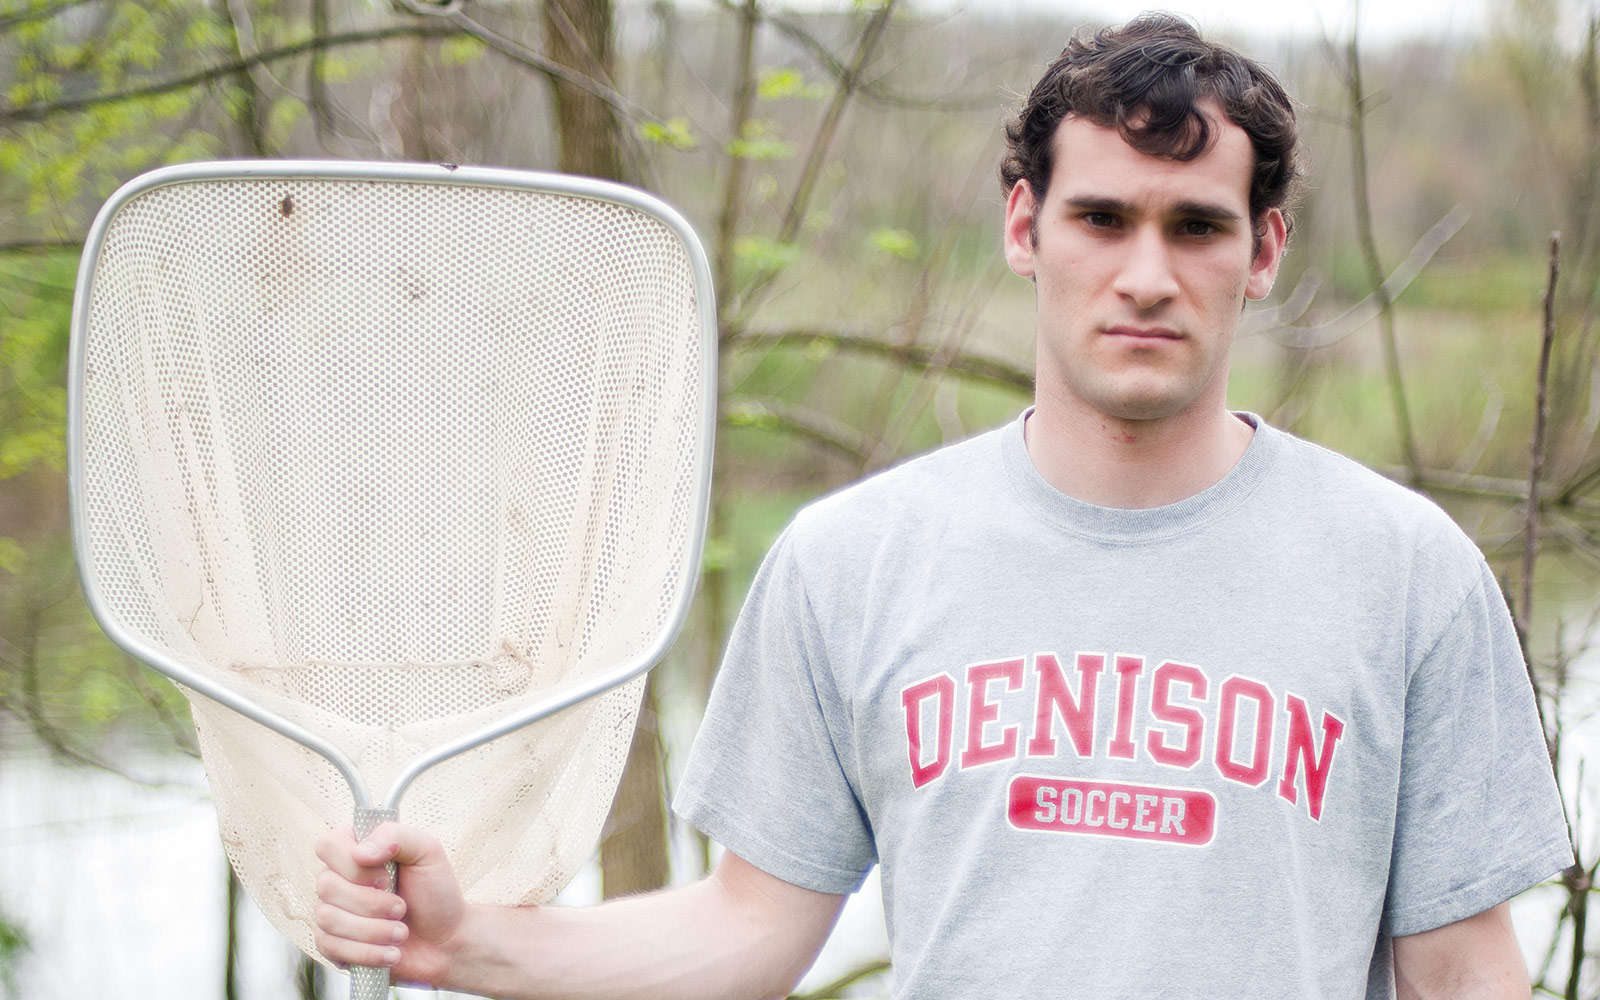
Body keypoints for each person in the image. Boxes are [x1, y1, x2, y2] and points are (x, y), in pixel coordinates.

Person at [313, 13, 1572, 998]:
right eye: (1101, 217)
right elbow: (749, 931)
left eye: (1196, 226)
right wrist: (466, 943)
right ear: (1026, 228)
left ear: (1264, 251)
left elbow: (1462, 976)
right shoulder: (852, 562)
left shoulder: (1405, 572)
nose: (1145, 274)